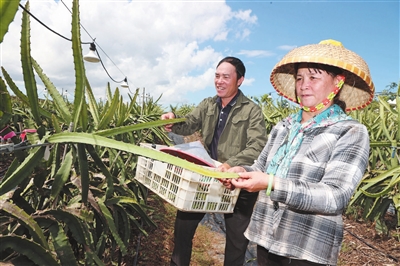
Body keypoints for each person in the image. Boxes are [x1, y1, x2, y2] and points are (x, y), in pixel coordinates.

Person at [225, 39, 374, 265]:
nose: (304, 85)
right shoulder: (283, 127)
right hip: (267, 237)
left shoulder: (350, 131)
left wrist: (271, 183)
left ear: (337, 82)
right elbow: (260, 168)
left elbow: (335, 196)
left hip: (307, 246)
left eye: (314, 77)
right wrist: (239, 172)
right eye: (299, 78)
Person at [161, 56, 268, 266]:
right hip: (208, 177)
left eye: (226, 77)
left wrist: (230, 164)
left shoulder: (252, 111)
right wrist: (172, 121)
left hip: (237, 180)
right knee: (183, 229)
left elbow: (257, 145)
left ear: (240, 80)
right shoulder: (208, 104)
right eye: (217, 76)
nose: (219, 81)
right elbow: (188, 125)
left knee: (237, 242)